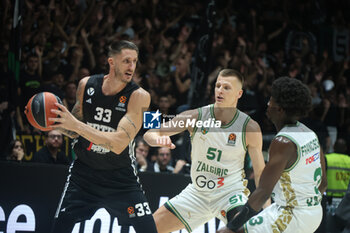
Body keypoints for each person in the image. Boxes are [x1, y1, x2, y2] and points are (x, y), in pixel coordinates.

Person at [49, 40, 157, 232]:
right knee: (59, 228)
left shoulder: (139, 96)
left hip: (121, 179)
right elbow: (73, 130)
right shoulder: (86, 85)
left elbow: (118, 143)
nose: (131, 67)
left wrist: (76, 125)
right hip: (83, 177)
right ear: (111, 62)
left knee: (148, 230)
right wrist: (53, 123)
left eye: (134, 61)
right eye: (126, 61)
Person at [144, 69, 267, 233]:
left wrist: (267, 209)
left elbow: (260, 173)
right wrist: (157, 139)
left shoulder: (249, 127)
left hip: (230, 195)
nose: (220, 90)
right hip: (197, 193)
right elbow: (150, 133)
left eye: (226, 87)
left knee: (243, 230)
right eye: (218, 86)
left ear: (239, 93)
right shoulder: (196, 117)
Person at [217, 76, 328, 233]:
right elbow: (323, 183)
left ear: (280, 109)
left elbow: (262, 193)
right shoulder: (310, 133)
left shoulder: (283, 142)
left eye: (271, 100)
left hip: (293, 214)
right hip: (314, 212)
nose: (268, 104)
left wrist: (231, 227)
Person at [325, 138, 350, 232]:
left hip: (330, 202)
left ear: (334, 147)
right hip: (345, 202)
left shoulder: (327, 158)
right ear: (345, 148)